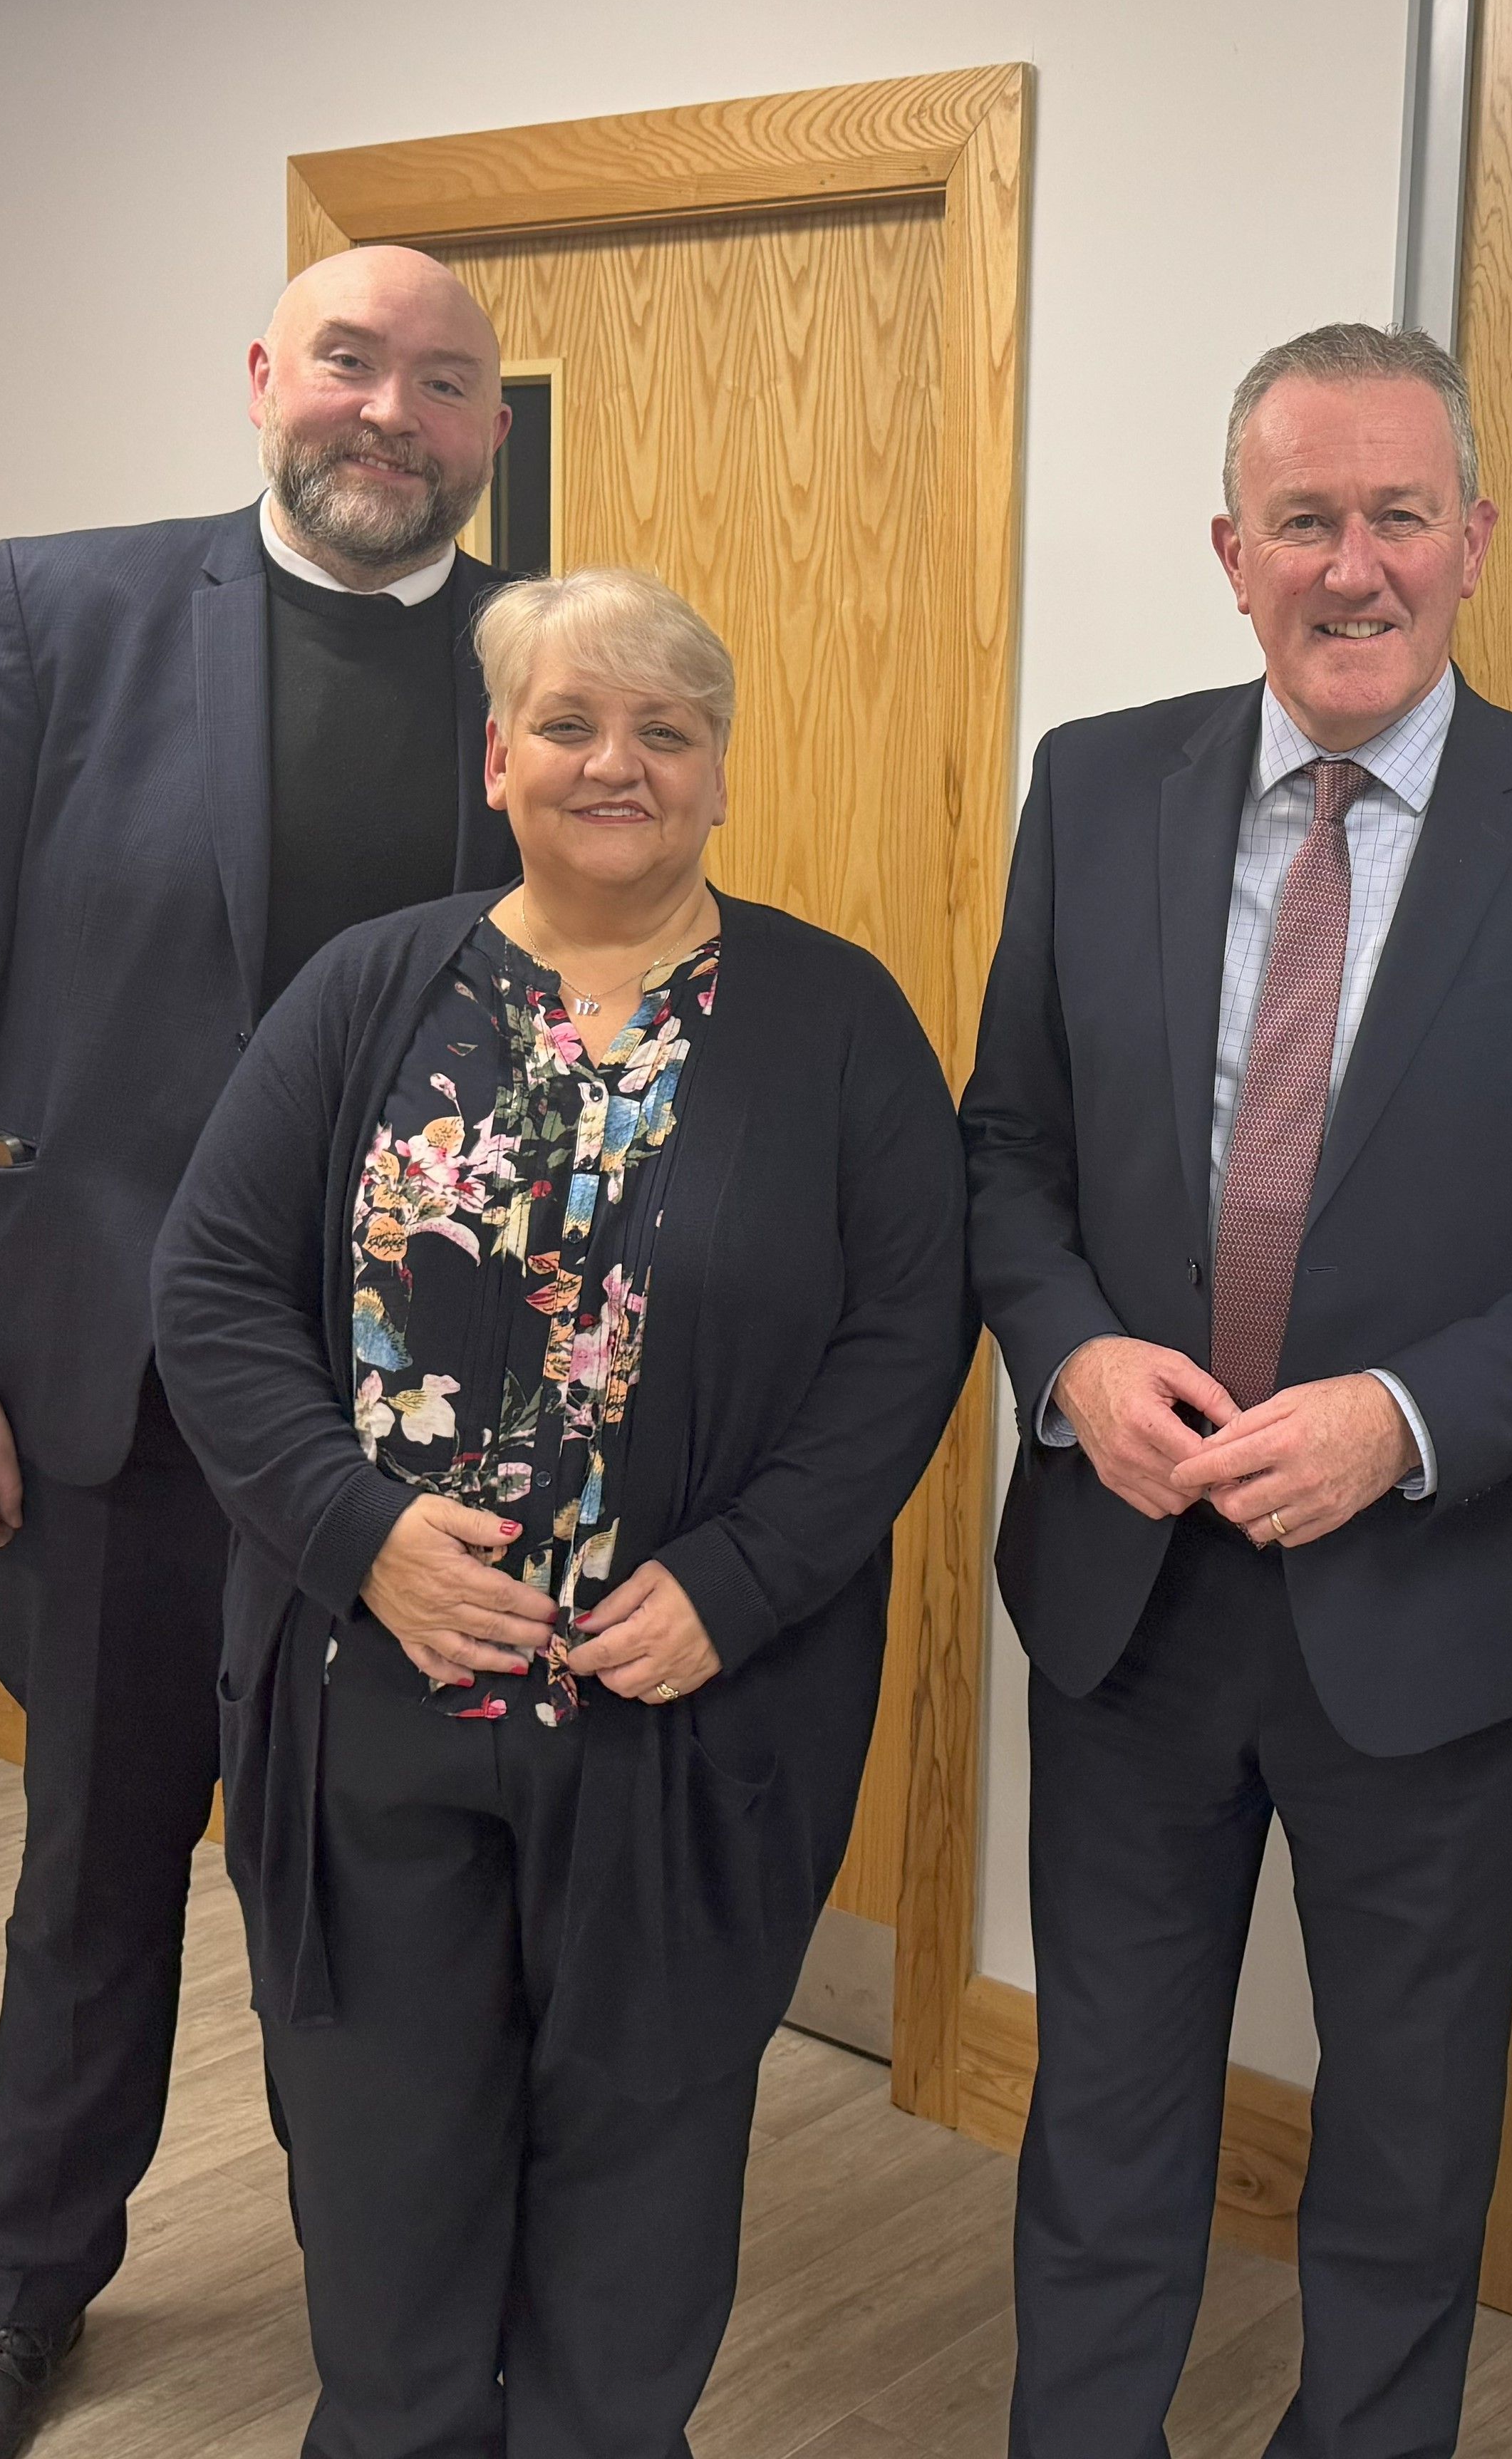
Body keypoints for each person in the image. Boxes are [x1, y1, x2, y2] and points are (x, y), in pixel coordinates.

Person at [960, 323, 1512, 2459]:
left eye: (1400, 515)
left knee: (1404, 2138)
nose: (1353, 565)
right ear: (1232, 550)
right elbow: (1001, 1144)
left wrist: (1407, 1422)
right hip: (1129, 1589)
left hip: (1438, 1605)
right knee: (1103, 2115)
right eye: (1306, 519)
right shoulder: (1098, 785)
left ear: (1476, 540)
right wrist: (1075, 1356)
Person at [152, 565, 973, 2458]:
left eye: (667, 731)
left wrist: (741, 1582)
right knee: (384, 2164)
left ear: (718, 770)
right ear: (499, 754)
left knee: (647, 2167)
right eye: (574, 725)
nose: (620, 764)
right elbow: (208, 1295)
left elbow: (906, 1340)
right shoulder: (369, 989)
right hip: (377, 1707)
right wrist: (356, 1538)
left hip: (691, 1717)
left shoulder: (839, 1018)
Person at [0, 244, 524, 2459]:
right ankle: (22, 2293)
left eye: (441, 385)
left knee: (378, 1900)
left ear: (489, 431)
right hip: (106, 1407)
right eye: (351, 362)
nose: (388, 416)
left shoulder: (536, 663)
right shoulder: (66, 611)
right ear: (263, 379)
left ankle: (392, 2310)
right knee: (97, 1875)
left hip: (396, 1437)